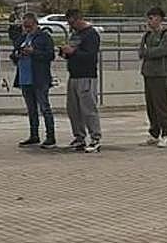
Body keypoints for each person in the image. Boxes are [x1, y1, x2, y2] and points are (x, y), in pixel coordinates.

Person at [11, 12, 57, 148]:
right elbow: (14, 53)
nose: (27, 28)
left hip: (39, 78)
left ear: (36, 24)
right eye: (25, 26)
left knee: (44, 107)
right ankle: (34, 135)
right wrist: (17, 54)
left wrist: (33, 52)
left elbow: (50, 55)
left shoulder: (44, 37)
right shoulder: (22, 38)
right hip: (25, 78)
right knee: (31, 109)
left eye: (29, 26)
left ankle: (50, 137)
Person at [61, 9, 102, 153]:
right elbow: (71, 50)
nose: (70, 25)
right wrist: (65, 52)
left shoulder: (91, 35)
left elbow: (91, 56)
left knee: (88, 108)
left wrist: (74, 52)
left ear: (79, 19)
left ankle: (95, 138)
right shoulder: (75, 34)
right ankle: (79, 137)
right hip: (73, 75)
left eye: (72, 22)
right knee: (73, 109)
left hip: (87, 76)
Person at [138, 6, 167, 147]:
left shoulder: (166, 34)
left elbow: (164, 50)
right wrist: (149, 52)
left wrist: (150, 52)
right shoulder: (147, 35)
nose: (149, 21)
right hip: (148, 73)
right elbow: (141, 51)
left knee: (162, 104)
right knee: (151, 105)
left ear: (159, 18)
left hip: (161, 73)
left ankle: (166, 133)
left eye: (152, 18)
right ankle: (154, 131)